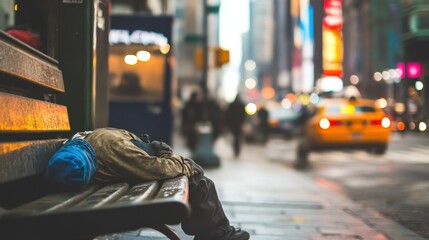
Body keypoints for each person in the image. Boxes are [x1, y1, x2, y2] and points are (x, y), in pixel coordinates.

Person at [55, 127, 250, 240]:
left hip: (105, 173)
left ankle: (216, 232)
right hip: (107, 175)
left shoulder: (104, 143)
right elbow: (163, 168)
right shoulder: (120, 148)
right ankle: (217, 235)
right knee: (198, 182)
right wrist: (172, 156)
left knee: (192, 180)